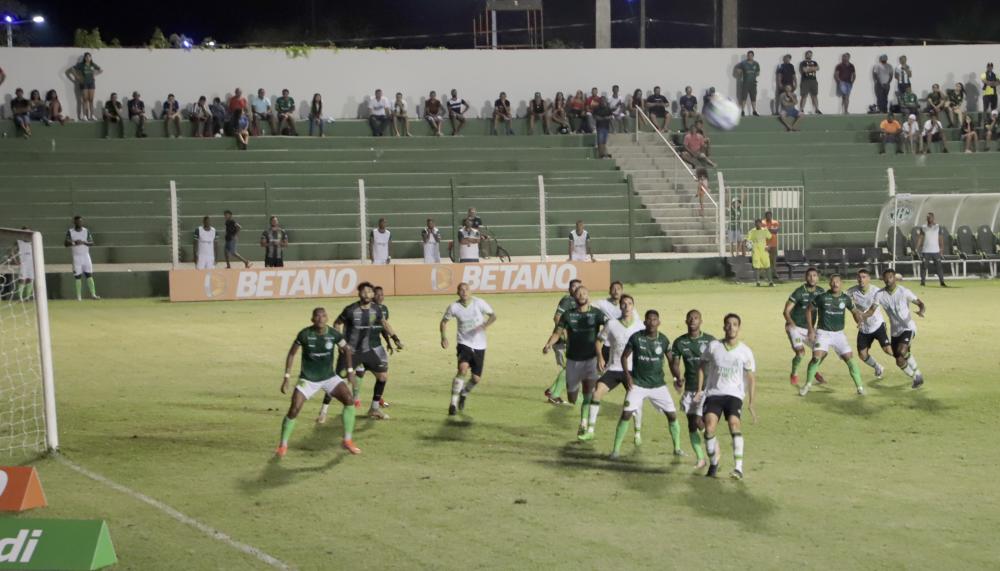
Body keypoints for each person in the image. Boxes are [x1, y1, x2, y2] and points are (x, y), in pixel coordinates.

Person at [275, 307, 360, 458]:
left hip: (329, 377)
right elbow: (291, 353)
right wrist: (287, 377)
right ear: (312, 319)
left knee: (349, 400)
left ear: (327, 319)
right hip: (308, 379)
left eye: (323, 315)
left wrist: (350, 371)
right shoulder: (305, 334)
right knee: (294, 409)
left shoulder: (333, 334)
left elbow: (346, 349)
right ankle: (283, 445)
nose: (321, 318)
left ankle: (347, 441)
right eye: (317, 316)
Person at [608, 309, 683, 459]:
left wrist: (677, 378)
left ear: (659, 322)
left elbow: (671, 362)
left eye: (654, 319)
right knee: (626, 414)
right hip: (638, 384)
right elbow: (624, 357)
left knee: (672, 415)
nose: (652, 322)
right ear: (644, 322)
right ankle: (615, 450)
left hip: (658, 385)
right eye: (649, 319)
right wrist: (627, 376)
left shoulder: (664, 340)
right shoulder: (636, 338)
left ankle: (677, 448)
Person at [542, 285, 607, 437]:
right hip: (573, 361)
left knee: (588, 394)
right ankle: (570, 397)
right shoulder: (568, 315)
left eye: (585, 292)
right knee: (572, 397)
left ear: (588, 295)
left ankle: (583, 423)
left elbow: (611, 325)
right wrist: (548, 344)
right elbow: (557, 333)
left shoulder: (597, 314)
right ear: (575, 297)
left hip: (590, 360)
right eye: (579, 293)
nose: (582, 295)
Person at [699, 313, 757, 480]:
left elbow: (751, 378)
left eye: (735, 324)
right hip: (714, 394)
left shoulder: (745, 351)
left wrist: (751, 403)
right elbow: (702, 365)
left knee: (734, 424)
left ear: (739, 328)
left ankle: (738, 468)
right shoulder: (713, 346)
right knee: (709, 428)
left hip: (734, 395)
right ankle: (714, 463)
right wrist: (699, 389)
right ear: (724, 327)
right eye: (728, 324)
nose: (731, 327)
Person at [334, 282, 404, 419]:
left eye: (369, 292)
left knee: (382, 376)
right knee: (337, 380)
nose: (367, 294)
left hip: (367, 350)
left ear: (372, 294)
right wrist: (340, 344)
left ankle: (374, 408)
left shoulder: (376, 309)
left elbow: (384, 323)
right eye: (364, 291)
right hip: (351, 351)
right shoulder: (350, 310)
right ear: (359, 293)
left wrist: (395, 339)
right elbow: (337, 323)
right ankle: (324, 409)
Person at [799, 274, 867, 396]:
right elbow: (809, 310)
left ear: (841, 284)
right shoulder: (822, 297)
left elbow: (854, 311)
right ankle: (807, 385)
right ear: (829, 284)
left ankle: (860, 387)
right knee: (816, 357)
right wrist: (810, 329)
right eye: (833, 282)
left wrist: (859, 320)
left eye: (837, 282)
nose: (835, 284)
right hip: (823, 333)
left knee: (850, 359)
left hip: (839, 335)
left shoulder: (846, 298)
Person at [589, 294, 643, 444]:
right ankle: (590, 430)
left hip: (632, 370)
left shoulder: (640, 326)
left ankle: (637, 433)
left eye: (629, 304)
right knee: (596, 392)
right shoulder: (611, 324)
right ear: (620, 307)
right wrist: (600, 356)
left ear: (633, 306)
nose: (626, 306)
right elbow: (599, 341)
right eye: (623, 304)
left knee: (634, 401)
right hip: (614, 368)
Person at [668, 309, 716, 467]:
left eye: (696, 318)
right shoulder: (680, 342)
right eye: (690, 318)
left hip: (707, 389)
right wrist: (677, 377)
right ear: (686, 321)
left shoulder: (710, 340)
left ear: (701, 321)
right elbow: (675, 363)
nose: (693, 320)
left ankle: (713, 448)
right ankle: (701, 458)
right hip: (690, 389)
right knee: (691, 424)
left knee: (699, 421)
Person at [440, 283, 496, 415]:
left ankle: (464, 393)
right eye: (461, 290)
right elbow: (443, 322)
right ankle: (453, 403)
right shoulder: (454, 307)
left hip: (480, 345)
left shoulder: (479, 303)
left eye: (466, 289)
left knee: (476, 379)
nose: (464, 292)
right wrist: (443, 337)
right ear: (457, 292)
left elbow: (493, 316)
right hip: (463, 343)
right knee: (462, 369)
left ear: (470, 291)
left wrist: (484, 325)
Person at [874, 269, 926, 388]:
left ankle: (917, 377)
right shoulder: (879, 294)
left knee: (902, 351)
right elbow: (872, 309)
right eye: (886, 278)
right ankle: (916, 376)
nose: (888, 280)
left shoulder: (904, 292)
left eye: (890, 277)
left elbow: (920, 303)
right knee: (899, 360)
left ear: (895, 278)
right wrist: (863, 316)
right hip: (895, 331)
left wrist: (921, 311)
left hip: (908, 327)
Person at [847, 268, 893, 381]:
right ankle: (878, 367)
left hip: (877, 325)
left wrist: (860, 317)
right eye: (859, 277)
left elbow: (872, 311)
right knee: (862, 355)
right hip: (864, 328)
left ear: (869, 279)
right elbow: (843, 300)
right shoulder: (851, 291)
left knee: (888, 350)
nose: (861, 279)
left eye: (864, 277)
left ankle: (904, 359)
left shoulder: (876, 291)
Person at [543, 279, 582, 405]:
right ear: (569, 289)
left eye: (578, 287)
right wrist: (565, 333)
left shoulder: (577, 303)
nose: (576, 289)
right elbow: (557, 317)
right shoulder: (567, 300)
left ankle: (552, 390)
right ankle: (555, 395)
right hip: (562, 341)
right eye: (574, 287)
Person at [784, 267, 825, 386]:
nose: (812, 278)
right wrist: (791, 325)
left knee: (821, 351)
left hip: (810, 330)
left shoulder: (821, 292)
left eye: (814, 275)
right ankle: (794, 373)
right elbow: (786, 311)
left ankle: (814, 369)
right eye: (809, 275)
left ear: (818, 277)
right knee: (800, 353)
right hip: (795, 327)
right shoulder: (799, 292)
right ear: (805, 277)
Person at [64, 215, 100, 301]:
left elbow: (92, 243)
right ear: (74, 222)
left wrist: (84, 242)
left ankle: (93, 294)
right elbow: (66, 243)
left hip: (86, 255)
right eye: (77, 221)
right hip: (76, 257)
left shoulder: (86, 231)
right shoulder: (70, 231)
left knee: (89, 274)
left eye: (80, 221)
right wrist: (74, 243)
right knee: (78, 276)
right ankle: (79, 296)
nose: (79, 223)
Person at [66, 52, 102, 121]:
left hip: (92, 83)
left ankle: (92, 115)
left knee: (91, 100)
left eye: (89, 57)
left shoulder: (92, 64)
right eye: (86, 57)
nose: (88, 58)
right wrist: (77, 77)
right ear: (84, 58)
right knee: (85, 100)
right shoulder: (81, 65)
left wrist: (94, 74)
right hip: (84, 83)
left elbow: (100, 70)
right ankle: (85, 115)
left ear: (91, 58)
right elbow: (71, 69)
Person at [915, 212, 947, 287]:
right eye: (927, 217)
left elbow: (941, 239)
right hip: (926, 251)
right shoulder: (923, 227)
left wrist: (942, 249)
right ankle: (922, 282)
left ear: (933, 218)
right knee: (924, 267)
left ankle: (942, 282)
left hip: (936, 251)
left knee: (939, 267)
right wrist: (916, 248)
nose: (929, 219)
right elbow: (920, 238)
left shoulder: (938, 227)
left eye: (930, 217)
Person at [746, 219, 772, 287]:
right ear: (755, 224)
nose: (757, 224)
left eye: (759, 223)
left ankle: (770, 282)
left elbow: (770, 238)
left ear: (761, 223)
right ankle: (758, 282)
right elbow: (748, 241)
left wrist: (768, 246)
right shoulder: (752, 231)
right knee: (756, 266)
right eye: (756, 223)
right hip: (755, 251)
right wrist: (749, 246)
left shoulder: (765, 230)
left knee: (767, 265)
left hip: (764, 250)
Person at [735, 51, 760, 117]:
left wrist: (753, 74)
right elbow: (737, 70)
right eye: (748, 55)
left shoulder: (756, 64)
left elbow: (758, 73)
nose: (750, 56)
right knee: (744, 97)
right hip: (745, 83)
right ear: (747, 56)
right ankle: (742, 111)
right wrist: (739, 72)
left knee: (753, 97)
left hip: (753, 83)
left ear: (753, 56)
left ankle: (754, 111)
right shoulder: (743, 63)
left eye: (751, 55)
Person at [13, 227, 34, 301]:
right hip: (23, 263)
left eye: (28, 232)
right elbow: (13, 251)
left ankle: (27, 297)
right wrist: (15, 260)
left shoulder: (33, 241)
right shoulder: (19, 242)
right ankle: (20, 297)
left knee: (30, 279)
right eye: (25, 232)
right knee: (22, 279)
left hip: (31, 263)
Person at [764, 210, 780, 281]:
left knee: (773, 260)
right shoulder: (763, 222)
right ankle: (767, 275)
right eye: (767, 215)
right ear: (765, 216)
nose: (769, 216)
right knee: (766, 260)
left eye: (770, 215)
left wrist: (768, 229)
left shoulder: (775, 222)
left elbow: (776, 231)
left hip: (773, 244)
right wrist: (771, 230)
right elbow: (762, 231)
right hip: (765, 244)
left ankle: (775, 274)